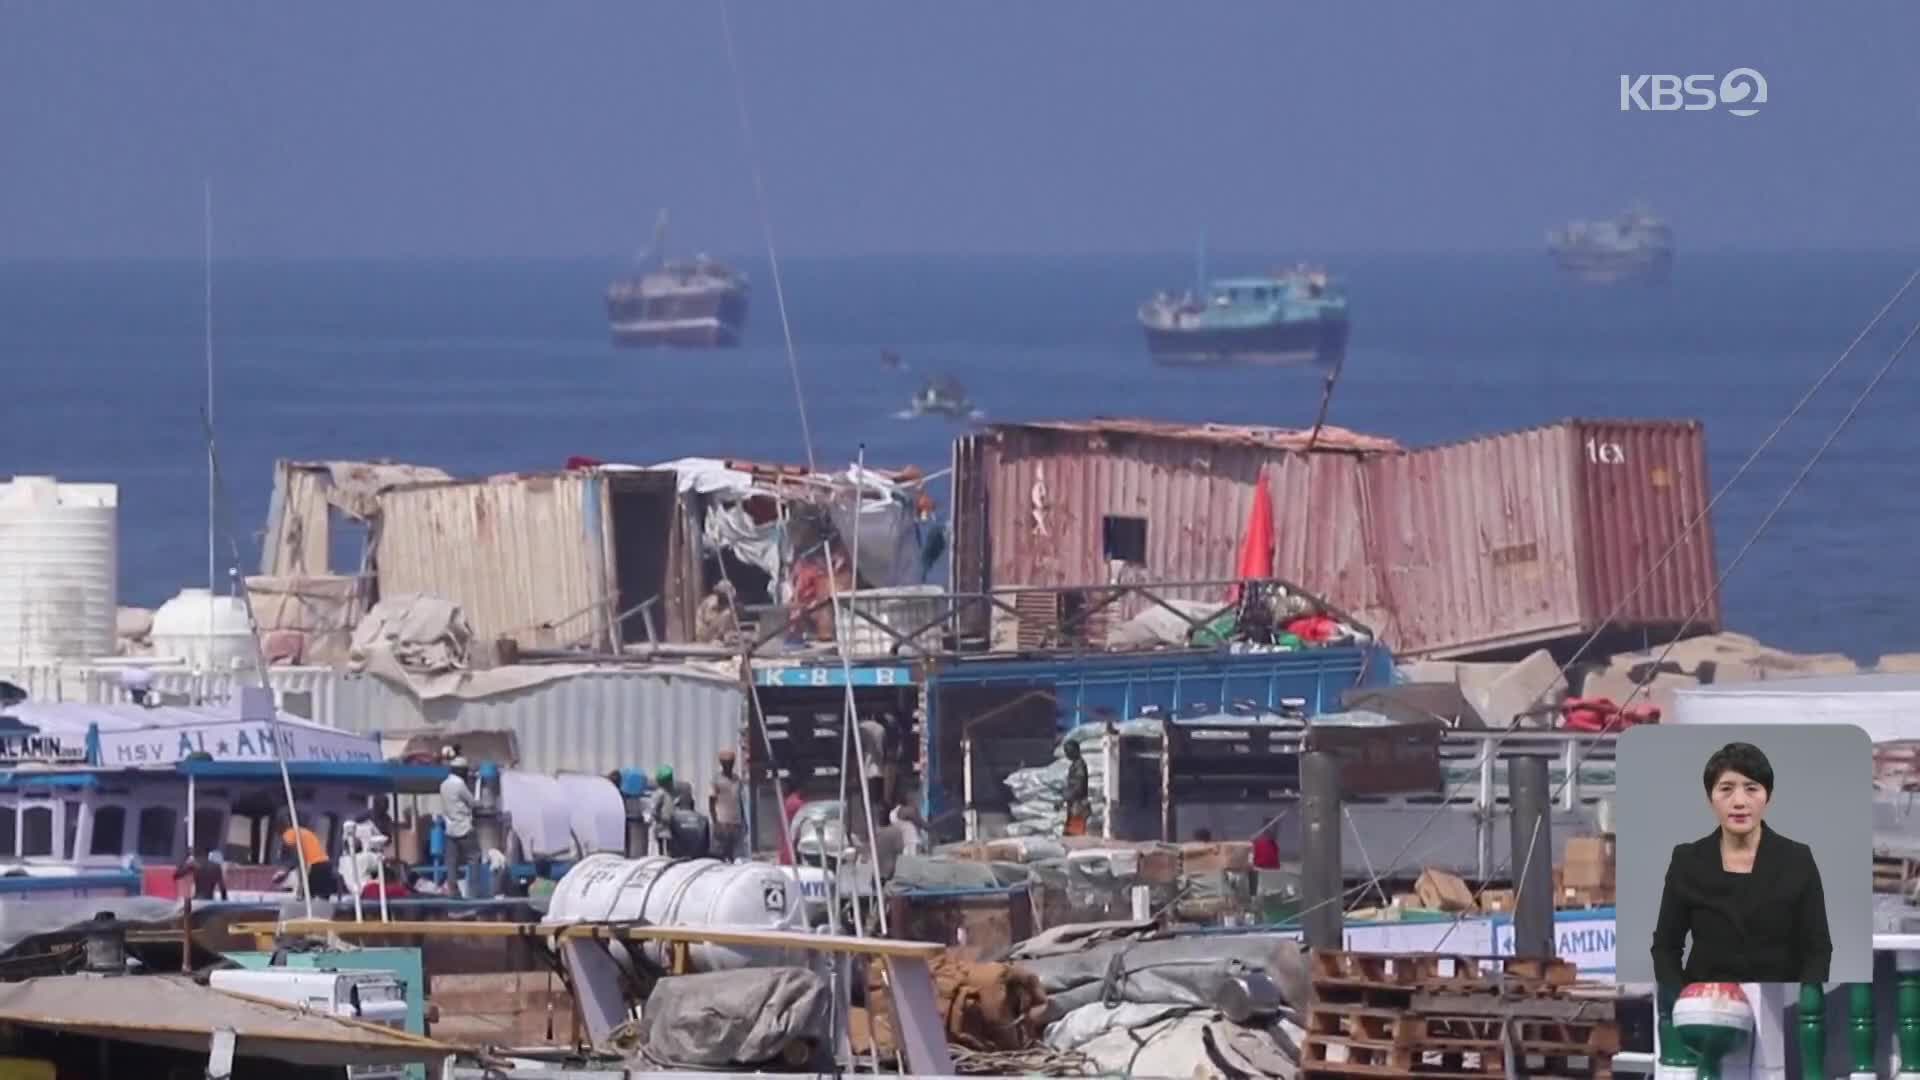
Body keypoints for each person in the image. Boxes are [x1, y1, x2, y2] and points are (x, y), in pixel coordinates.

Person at [1651, 741, 1832, 984]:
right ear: (1710, 798)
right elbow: (1665, 948)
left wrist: (1800, 1004)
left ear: (1767, 796)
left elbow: (1818, 950)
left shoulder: (1797, 859)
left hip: (1779, 1005)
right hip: (1706, 1003)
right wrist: (1683, 1002)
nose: (1739, 801)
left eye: (1751, 788)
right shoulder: (1687, 861)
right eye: (1726, 789)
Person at [440, 757, 478, 892]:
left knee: (451, 862)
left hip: (450, 830)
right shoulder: (460, 784)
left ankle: (452, 891)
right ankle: (472, 891)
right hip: (464, 828)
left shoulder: (443, 784)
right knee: (474, 859)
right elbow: (473, 802)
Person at [280, 819, 338, 900]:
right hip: (325, 862)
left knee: (306, 895)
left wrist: (286, 871)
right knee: (323, 895)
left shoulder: (288, 834)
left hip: (314, 865)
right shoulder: (305, 832)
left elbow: (297, 856)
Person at [710, 749, 745, 862]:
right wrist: (715, 822)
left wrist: (744, 820)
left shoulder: (737, 780)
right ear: (722, 764)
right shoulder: (716, 780)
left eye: (731, 763)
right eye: (726, 763)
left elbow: (739, 800)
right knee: (721, 854)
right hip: (722, 822)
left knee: (735, 856)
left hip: (736, 822)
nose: (729, 765)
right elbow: (711, 801)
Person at [1061, 739, 1090, 837]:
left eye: (1069, 750)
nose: (1067, 753)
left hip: (1078, 804)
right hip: (1074, 803)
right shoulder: (1075, 765)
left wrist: (1067, 797)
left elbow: (1079, 785)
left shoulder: (1079, 765)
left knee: (1075, 834)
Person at [648, 766, 677, 856]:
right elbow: (654, 809)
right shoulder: (660, 793)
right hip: (662, 827)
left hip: (670, 826)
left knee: (669, 849)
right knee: (663, 849)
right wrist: (659, 819)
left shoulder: (670, 793)